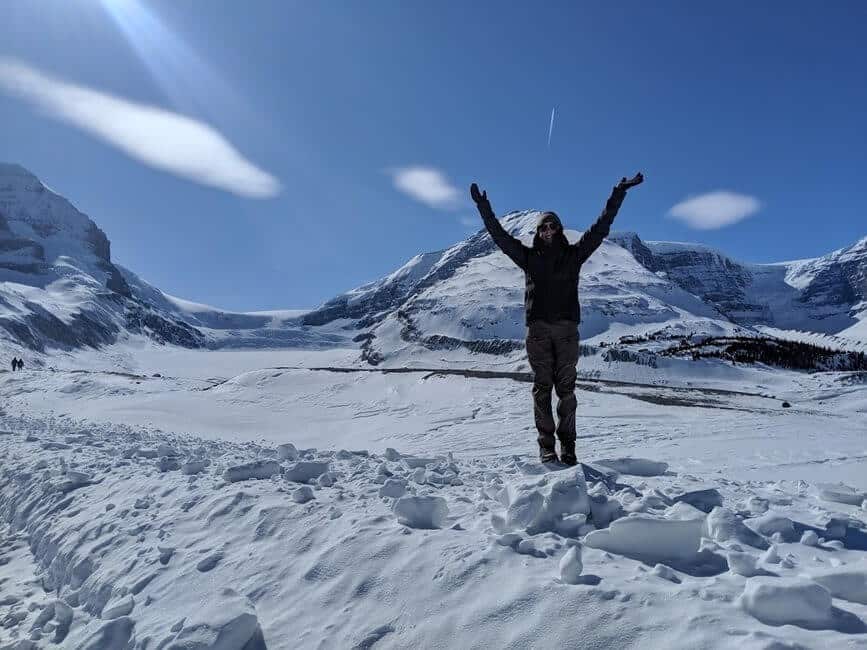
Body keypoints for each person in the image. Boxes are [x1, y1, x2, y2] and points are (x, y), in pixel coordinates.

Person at [470, 173, 644, 465]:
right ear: (537, 232)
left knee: (567, 392)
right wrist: (483, 208)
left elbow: (601, 228)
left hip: (565, 332)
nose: (548, 230)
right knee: (542, 391)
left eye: (553, 226)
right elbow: (499, 237)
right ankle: (546, 447)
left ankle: (569, 447)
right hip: (538, 332)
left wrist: (619, 192)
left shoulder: (574, 255)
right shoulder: (527, 257)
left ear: (560, 229)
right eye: (543, 227)